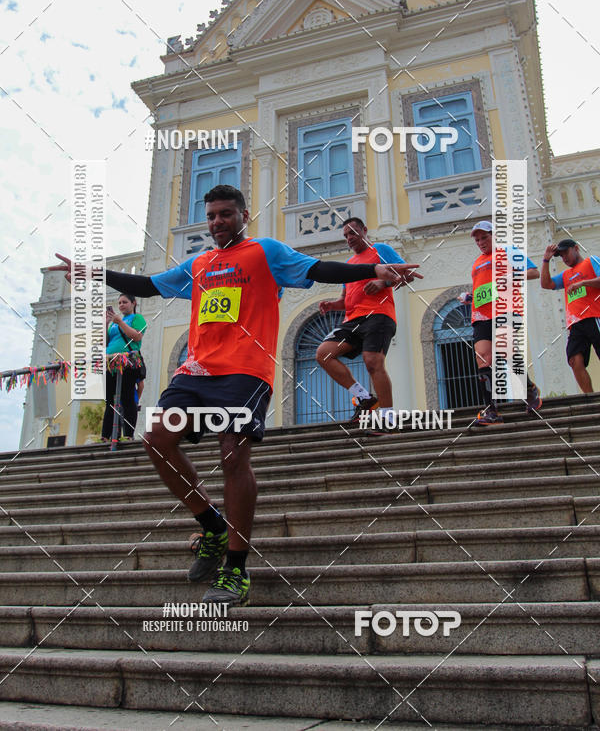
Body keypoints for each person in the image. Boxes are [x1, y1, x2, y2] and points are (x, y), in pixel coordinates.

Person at [50, 185, 418, 606]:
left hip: (246, 371)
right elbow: (148, 284)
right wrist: (94, 273)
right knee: (156, 437)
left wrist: (371, 271)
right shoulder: (200, 263)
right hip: (196, 370)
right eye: (211, 216)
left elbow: (319, 269)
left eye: (226, 214)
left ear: (243, 215)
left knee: (232, 455)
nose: (217, 222)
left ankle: (236, 570)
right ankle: (212, 526)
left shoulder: (266, 252)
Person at [316, 217, 419, 425]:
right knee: (323, 354)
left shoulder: (380, 249)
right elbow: (346, 301)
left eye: (353, 232)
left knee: (372, 362)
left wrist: (382, 282)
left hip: (379, 315)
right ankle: (364, 397)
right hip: (353, 319)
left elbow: (408, 275)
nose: (349, 238)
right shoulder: (349, 265)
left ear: (364, 230)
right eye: (345, 235)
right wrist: (332, 305)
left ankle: (388, 418)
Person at [459, 221, 541, 426]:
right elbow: (485, 288)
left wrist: (512, 276)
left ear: (494, 235)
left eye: (484, 237)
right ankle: (492, 411)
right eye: (477, 240)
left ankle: (529, 390)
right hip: (481, 315)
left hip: (505, 309)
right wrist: (471, 296)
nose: (480, 242)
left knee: (506, 349)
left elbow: (534, 272)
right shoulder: (477, 262)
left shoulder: (509, 251)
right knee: (483, 359)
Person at [540, 239, 600, 393]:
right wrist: (546, 259)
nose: (564, 258)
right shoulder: (566, 275)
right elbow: (546, 284)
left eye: (566, 252)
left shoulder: (591, 261)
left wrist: (583, 283)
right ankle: (591, 399)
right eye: (560, 255)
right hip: (576, 323)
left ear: (576, 248)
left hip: (595, 316)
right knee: (574, 360)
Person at [102, 294, 147, 442]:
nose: (121, 305)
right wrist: (106, 323)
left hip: (128, 362)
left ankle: (128, 434)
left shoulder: (137, 318)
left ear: (133, 303)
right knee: (110, 400)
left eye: (125, 302)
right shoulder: (114, 323)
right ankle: (106, 436)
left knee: (127, 398)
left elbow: (137, 337)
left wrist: (120, 322)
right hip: (111, 362)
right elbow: (106, 342)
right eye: (119, 303)